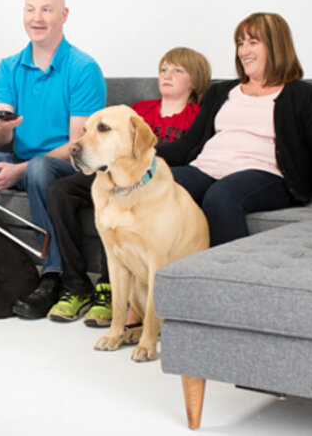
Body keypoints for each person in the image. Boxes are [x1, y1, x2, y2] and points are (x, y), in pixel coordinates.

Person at [0, 0, 106, 319]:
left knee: (38, 169)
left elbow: (79, 147)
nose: (36, 17)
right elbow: (0, 141)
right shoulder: (8, 67)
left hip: (63, 169)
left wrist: (21, 171)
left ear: (63, 15)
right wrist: (1, 126)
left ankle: (53, 277)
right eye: (30, 9)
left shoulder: (82, 69)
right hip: (17, 158)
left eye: (46, 9)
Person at [45, 47, 211, 325]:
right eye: (163, 69)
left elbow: (193, 153)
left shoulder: (197, 116)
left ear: (195, 81)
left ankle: (111, 293)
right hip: (115, 177)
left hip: (155, 186)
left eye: (178, 70)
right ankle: (75, 284)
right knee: (60, 191)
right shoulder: (138, 110)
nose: (167, 75)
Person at [159, 12, 312, 246]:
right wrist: (140, 158)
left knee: (221, 196)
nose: (244, 50)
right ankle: (133, 278)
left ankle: (228, 279)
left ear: (276, 46)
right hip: (206, 168)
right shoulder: (220, 92)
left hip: (266, 174)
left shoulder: (305, 96)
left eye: (253, 42)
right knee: (154, 185)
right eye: (240, 43)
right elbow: (188, 143)